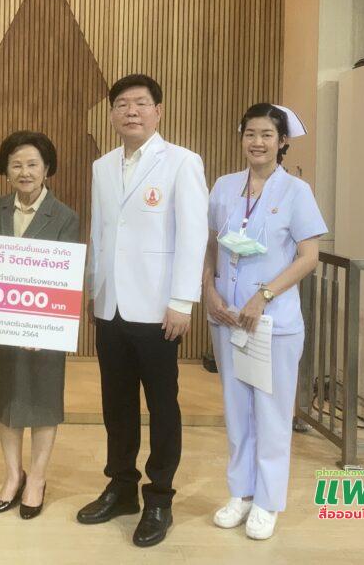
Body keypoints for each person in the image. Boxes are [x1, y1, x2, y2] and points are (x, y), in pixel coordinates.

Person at [77, 74, 209, 548]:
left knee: (162, 405)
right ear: (112, 114)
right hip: (111, 305)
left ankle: (159, 497)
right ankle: (121, 486)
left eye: (141, 103)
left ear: (158, 111)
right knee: (116, 403)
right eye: (122, 104)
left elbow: (193, 234)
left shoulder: (181, 162)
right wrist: (94, 289)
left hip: (157, 309)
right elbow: (101, 232)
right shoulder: (102, 166)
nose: (131, 111)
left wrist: (181, 301)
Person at [202, 103, 325, 540]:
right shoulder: (224, 186)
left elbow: (308, 257)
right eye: (250, 133)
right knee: (236, 411)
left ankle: (268, 501)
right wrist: (209, 291)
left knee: (271, 413)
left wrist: (263, 296)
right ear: (241, 137)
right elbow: (212, 246)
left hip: (272, 322)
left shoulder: (296, 191)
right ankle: (241, 492)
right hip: (228, 318)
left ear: (282, 141)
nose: (257, 142)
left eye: (267, 135)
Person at [0, 131, 80, 520]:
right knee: (6, 399)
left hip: (45, 327)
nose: (25, 172)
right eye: (16, 165)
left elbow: (68, 278)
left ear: (46, 169)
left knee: (44, 400)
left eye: (32, 164)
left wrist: (43, 325)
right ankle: (12, 476)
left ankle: (36, 479)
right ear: (6, 170)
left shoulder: (65, 216)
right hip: (1, 325)